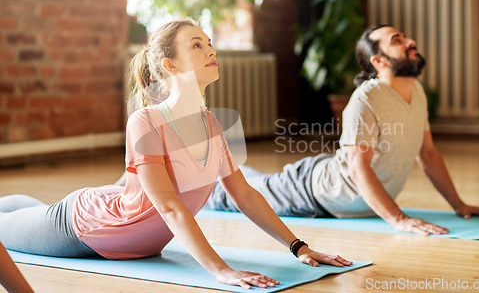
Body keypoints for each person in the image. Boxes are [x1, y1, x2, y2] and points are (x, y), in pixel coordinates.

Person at [0, 18, 352, 290]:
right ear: (170, 65)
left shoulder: (213, 124)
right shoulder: (145, 122)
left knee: (26, 208)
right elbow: (169, 208)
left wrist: (299, 247)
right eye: (197, 45)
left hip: (125, 226)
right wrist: (222, 270)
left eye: (210, 43)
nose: (211, 50)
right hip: (83, 228)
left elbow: (243, 194)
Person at [206, 24, 479, 236]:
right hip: (315, 192)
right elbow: (359, 169)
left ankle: (224, 169)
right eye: (398, 40)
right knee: (229, 197)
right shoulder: (365, 99)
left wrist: (459, 204)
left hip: (336, 185)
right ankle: (195, 179)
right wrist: (398, 219)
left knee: (255, 182)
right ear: (379, 61)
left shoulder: (418, 93)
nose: (410, 41)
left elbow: (428, 154)